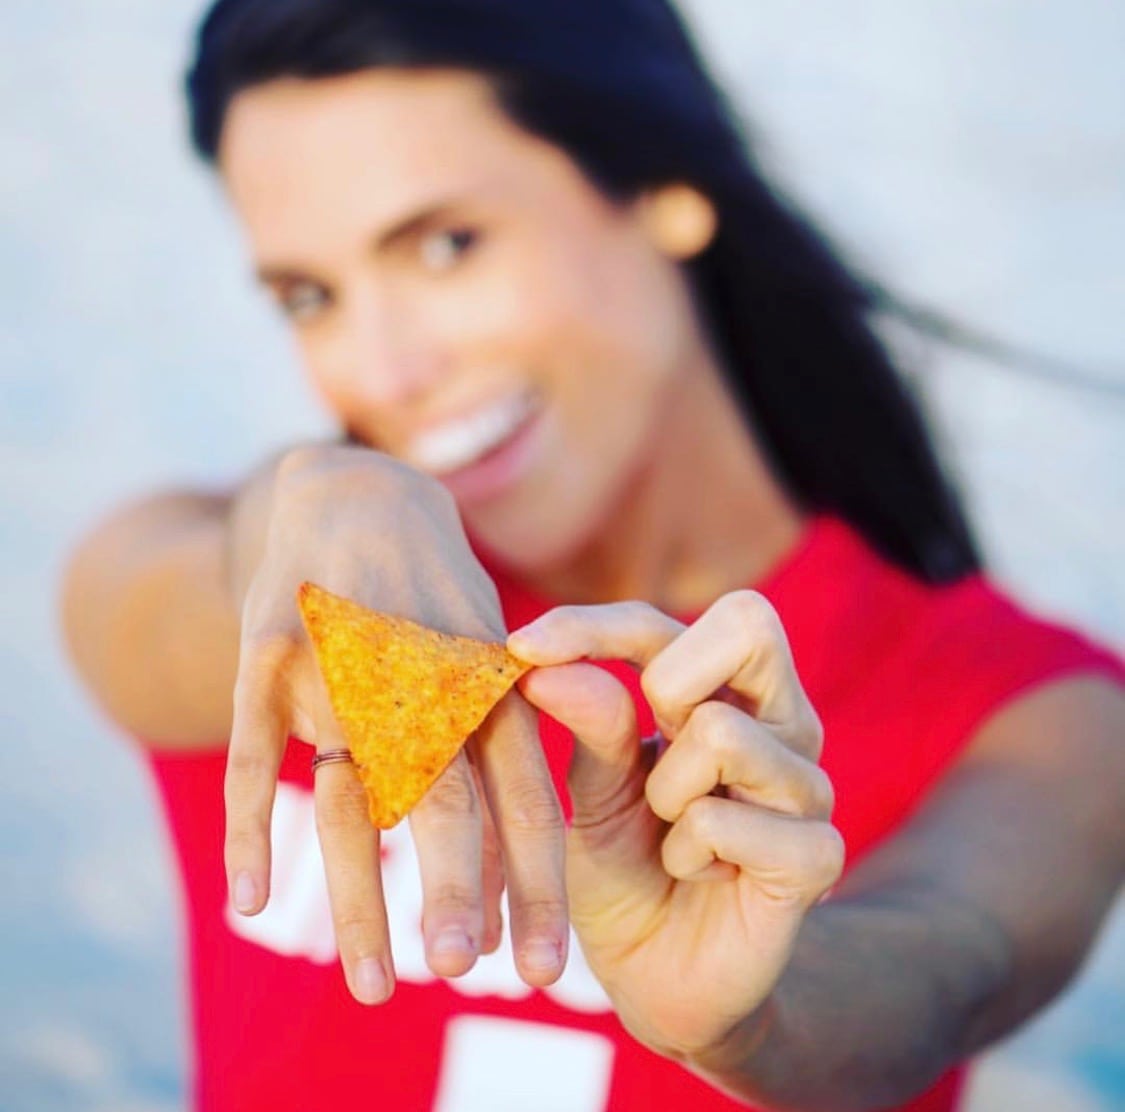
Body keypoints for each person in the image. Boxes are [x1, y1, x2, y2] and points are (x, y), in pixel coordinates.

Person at [60, 1, 1125, 1109]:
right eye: (310, 296)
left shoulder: (1039, 715)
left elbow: (943, 970)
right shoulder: (289, 620)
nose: (382, 372)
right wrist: (309, 498)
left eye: (445, 244)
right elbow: (156, 601)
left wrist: (753, 1015)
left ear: (665, 185)